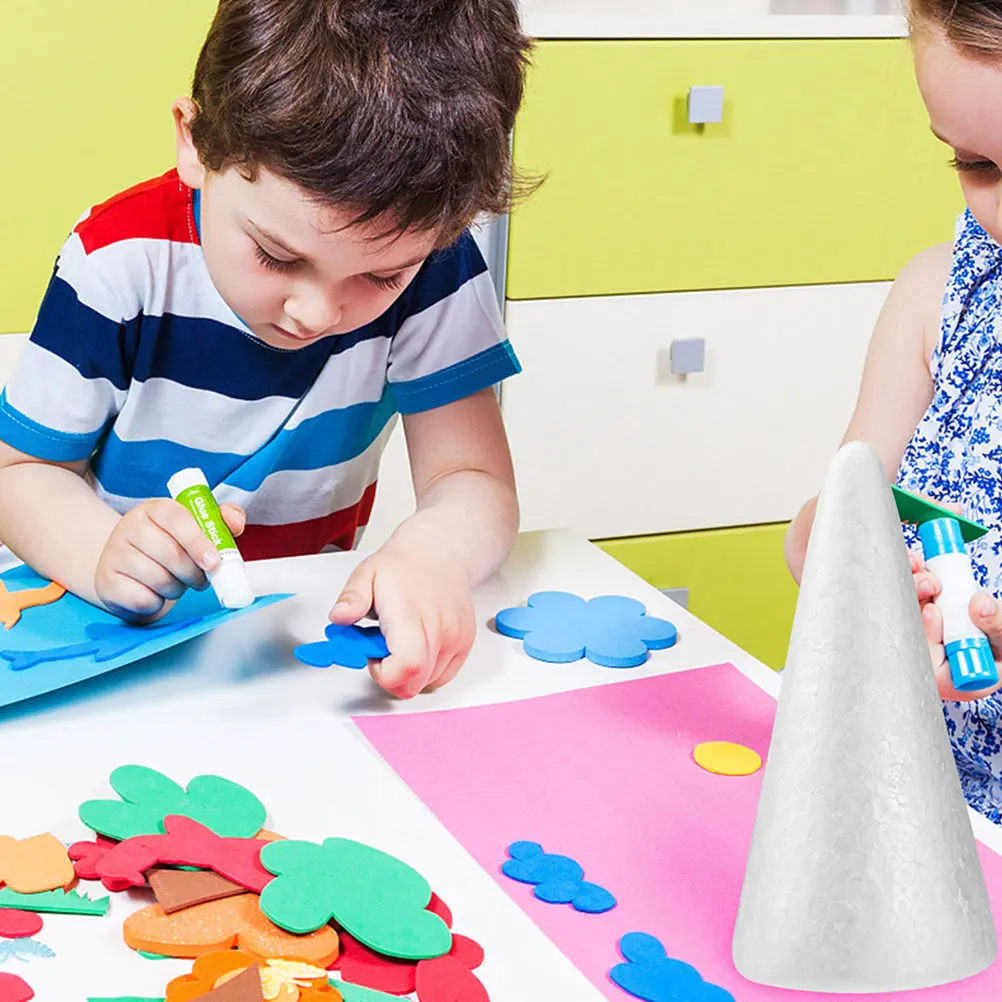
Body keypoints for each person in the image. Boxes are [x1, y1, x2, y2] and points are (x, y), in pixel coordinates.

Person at [0, 0, 536, 700]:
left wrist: (434, 553)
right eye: (276, 255)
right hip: (122, 640)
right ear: (195, 144)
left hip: (296, 652)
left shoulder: (433, 264)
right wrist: (102, 552)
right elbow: (21, 473)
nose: (316, 313)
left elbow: (474, 479)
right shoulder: (118, 259)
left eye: (379, 277)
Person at [785, 0, 1002, 819]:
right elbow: (837, 510)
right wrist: (838, 553)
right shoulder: (938, 293)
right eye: (977, 164)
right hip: (914, 795)